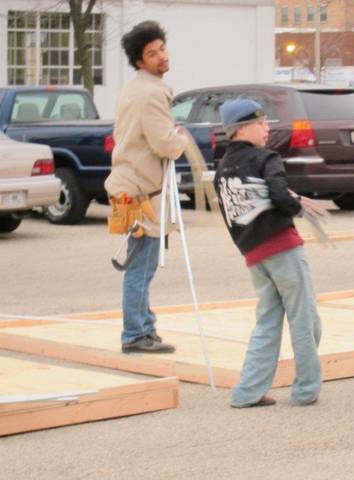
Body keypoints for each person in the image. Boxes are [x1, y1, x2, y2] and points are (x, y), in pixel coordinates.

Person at [215, 98, 322, 408]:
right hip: (283, 247)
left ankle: (247, 391)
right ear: (241, 129)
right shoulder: (266, 158)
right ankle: (306, 389)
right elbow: (278, 194)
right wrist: (296, 205)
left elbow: (230, 211)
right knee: (304, 320)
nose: (266, 128)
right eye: (260, 123)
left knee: (267, 321)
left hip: (254, 254)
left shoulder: (223, 168)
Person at [105, 21, 189, 354]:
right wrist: (180, 138)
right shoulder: (150, 93)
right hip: (139, 191)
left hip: (131, 186)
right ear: (140, 61)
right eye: (152, 54)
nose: (160, 57)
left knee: (143, 263)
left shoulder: (135, 89)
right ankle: (135, 334)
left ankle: (143, 328)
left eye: (161, 49)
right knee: (141, 265)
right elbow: (164, 144)